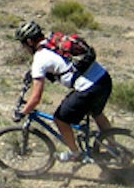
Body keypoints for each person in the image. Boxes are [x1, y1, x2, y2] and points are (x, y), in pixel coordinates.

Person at [13, 19, 113, 163]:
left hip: (88, 88)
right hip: (103, 79)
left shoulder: (39, 59)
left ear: (29, 42)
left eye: (23, 44)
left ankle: (75, 153)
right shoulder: (53, 40)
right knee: (96, 112)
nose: (23, 48)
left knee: (60, 119)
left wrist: (23, 112)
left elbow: (36, 98)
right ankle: (114, 146)